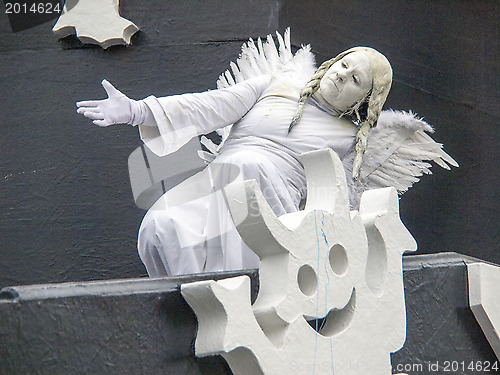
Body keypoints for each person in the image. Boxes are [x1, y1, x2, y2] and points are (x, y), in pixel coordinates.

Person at [76, 30, 455, 276]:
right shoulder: (275, 85)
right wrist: (137, 111)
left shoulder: (350, 141)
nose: (342, 74)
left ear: (365, 99)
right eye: (343, 63)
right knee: (160, 228)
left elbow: (341, 205)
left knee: (246, 188)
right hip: (217, 183)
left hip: (270, 206)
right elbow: (207, 107)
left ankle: (227, 299)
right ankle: (185, 308)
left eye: (356, 78)